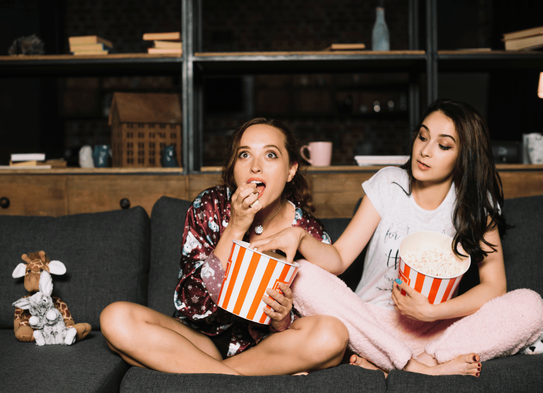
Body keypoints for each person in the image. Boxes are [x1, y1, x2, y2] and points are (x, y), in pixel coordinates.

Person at [250, 99, 543, 377]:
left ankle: (415, 362)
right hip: (367, 326)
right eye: (422, 137)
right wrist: (301, 237)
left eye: (443, 145)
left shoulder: (477, 206)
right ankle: (416, 369)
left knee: (531, 305)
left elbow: (495, 286)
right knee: (302, 273)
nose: (425, 151)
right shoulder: (389, 183)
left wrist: (432, 312)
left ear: (464, 156)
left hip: (435, 331)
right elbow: (338, 259)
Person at [100, 118, 348, 375]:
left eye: (270, 155)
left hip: (265, 351)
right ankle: (230, 378)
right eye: (244, 155)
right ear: (234, 167)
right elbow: (192, 305)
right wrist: (236, 227)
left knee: (333, 336)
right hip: (197, 342)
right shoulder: (210, 206)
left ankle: (207, 375)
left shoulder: (308, 233)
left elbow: (314, 315)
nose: (255, 166)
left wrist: (282, 321)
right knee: (114, 318)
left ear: (291, 170)